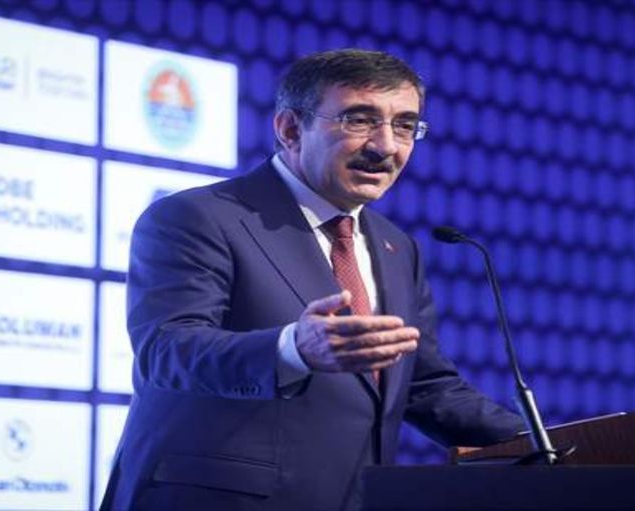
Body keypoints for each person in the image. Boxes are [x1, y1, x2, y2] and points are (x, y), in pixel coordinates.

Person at [101, 49, 524, 511]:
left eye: (405, 126)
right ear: (290, 129)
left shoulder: (397, 247)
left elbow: (426, 386)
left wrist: (546, 445)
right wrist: (292, 349)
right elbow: (168, 349)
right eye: (359, 120)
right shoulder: (197, 217)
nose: (386, 146)